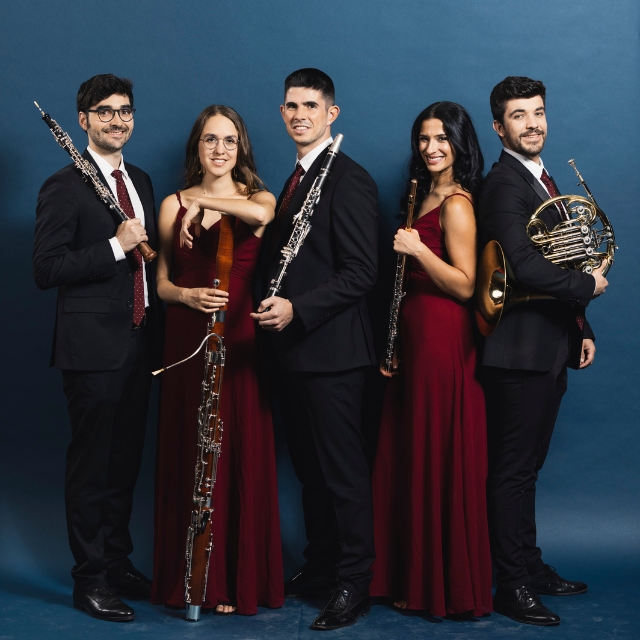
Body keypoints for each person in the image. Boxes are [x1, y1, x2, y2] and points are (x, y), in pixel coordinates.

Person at [251, 68, 378, 631]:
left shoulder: (347, 178)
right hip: (292, 354)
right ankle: (323, 563)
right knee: (310, 471)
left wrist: (297, 309)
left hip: (334, 356)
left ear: (332, 113)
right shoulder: (296, 178)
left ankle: (355, 582)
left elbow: (362, 271)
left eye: (310, 105)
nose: (299, 114)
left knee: (343, 474)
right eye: (291, 106)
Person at [479, 76, 609, 626]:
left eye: (537, 112)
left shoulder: (541, 178)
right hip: (518, 351)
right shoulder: (503, 184)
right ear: (498, 127)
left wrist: (582, 326)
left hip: (550, 344)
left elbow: (565, 253)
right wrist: (587, 287)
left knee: (529, 468)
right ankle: (511, 585)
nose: (532, 124)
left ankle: (529, 567)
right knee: (511, 471)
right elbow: (526, 265)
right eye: (518, 115)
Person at [33, 74, 162, 622]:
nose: (117, 120)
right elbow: (46, 269)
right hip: (91, 349)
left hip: (139, 342)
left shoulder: (141, 181)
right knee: (92, 467)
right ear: (83, 120)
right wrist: (115, 245)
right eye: (104, 111)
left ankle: (115, 561)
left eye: (124, 110)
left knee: (125, 462)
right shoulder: (63, 185)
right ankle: (89, 580)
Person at [151, 105, 284, 616]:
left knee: (234, 449)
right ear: (198, 147)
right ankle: (187, 579)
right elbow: (162, 283)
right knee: (191, 448)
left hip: (239, 339)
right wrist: (185, 296)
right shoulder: (171, 204)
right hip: (186, 340)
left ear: (240, 147)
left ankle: (230, 579)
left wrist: (203, 203)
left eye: (229, 140)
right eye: (210, 140)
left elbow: (263, 218)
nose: (220, 149)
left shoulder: (258, 198)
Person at [370, 102, 493, 618]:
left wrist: (419, 251)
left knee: (436, 451)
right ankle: (410, 576)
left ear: (460, 144)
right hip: (415, 336)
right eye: (423, 138)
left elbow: (465, 285)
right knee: (411, 453)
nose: (431, 148)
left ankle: (440, 587)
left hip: (444, 339)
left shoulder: (458, 203)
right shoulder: (422, 192)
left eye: (442, 138)